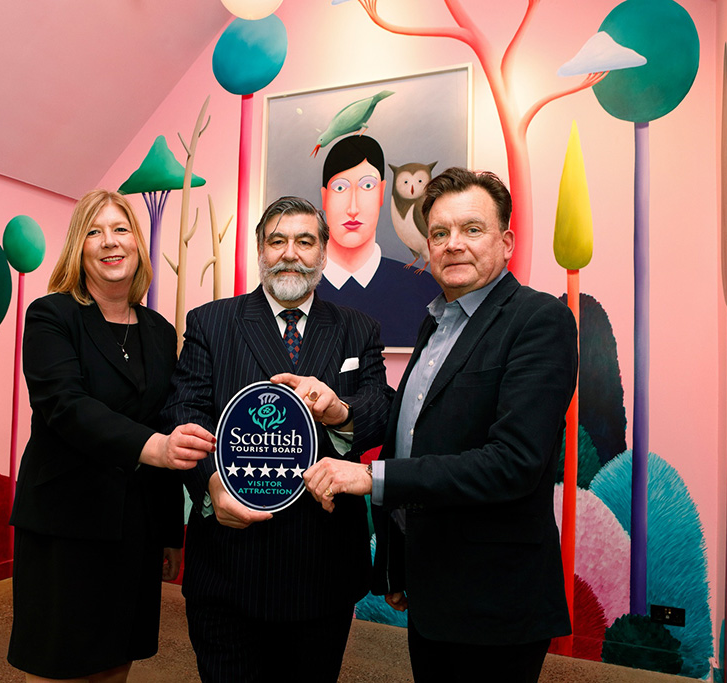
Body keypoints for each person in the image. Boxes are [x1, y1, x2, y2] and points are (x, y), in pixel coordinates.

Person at [303, 168, 578, 682]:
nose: (453, 245)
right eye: (440, 232)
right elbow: (412, 438)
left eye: (472, 229)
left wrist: (370, 480)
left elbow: (513, 464)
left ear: (507, 241)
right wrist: (399, 561)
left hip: (494, 596)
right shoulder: (437, 320)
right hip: (431, 585)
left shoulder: (538, 321)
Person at [162, 196, 394, 683]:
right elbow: (184, 410)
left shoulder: (359, 328)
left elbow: (381, 406)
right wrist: (211, 488)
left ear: (323, 251)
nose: (291, 253)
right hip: (230, 563)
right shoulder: (212, 323)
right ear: (260, 250)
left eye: (305, 241)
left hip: (323, 565)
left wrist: (339, 410)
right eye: (278, 241)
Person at [7, 189, 216, 683]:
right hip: (65, 524)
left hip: (135, 530)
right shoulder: (51, 316)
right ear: (79, 248)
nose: (109, 242)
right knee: (61, 663)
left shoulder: (161, 332)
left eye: (120, 230)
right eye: (94, 232)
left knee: (117, 658)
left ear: (137, 244)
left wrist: (170, 533)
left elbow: (167, 421)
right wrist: (156, 449)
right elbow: (66, 407)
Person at [316, 135, 439, 348]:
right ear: (324, 197)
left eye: (367, 186)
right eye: (340, 188)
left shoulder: (426, 291)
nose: (353, 208)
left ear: (382, 193)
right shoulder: (298, 291)